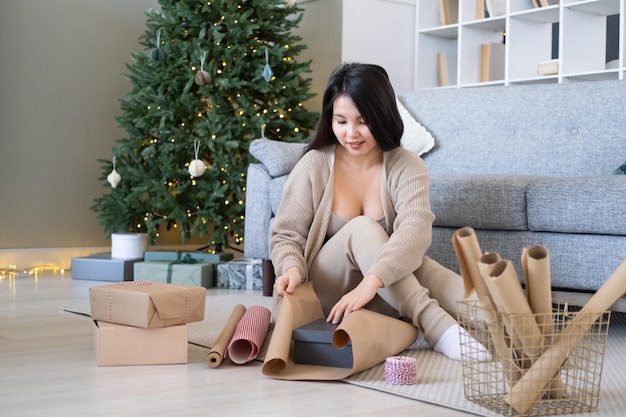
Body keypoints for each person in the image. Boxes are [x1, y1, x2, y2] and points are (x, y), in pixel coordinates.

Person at [269, 62, 487, 361]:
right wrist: (291, 268)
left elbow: (415, 229)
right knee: (362, 228)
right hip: (326, 296)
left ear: (382, 116)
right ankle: (438, 328)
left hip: (378, 293)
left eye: (363, 121)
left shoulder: (406, 165)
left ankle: (512, 324)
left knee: (422, 267)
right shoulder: (314, 164)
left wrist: (372, 281)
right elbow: (286, 234)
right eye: (341, 121)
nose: (351, 133)